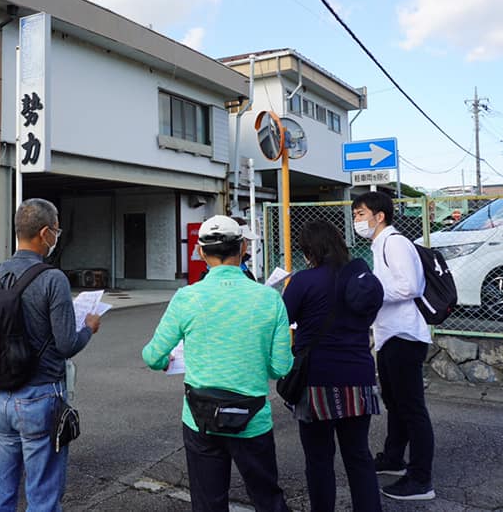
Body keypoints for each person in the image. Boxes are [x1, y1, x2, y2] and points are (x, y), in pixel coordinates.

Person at [143, 215, 293, 512]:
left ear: (201, 252)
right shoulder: (269, 298)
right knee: (267, 499)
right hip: (253, 418)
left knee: (208, 503)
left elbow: (152, 356)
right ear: (242, 248)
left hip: (201, 417)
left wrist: (165, 361)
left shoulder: (187, 297)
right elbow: (281, 367)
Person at [0, 198, 100, 512]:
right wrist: (88, 328)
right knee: (43, 496)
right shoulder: (52, 279)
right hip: (40, 396)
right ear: (45, 233)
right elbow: (66, 344)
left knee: (2, 491)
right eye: (56, 232)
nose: (57, 237)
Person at [282, 220, 384, 511]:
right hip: (359, 377)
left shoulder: (303, 281)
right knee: (358, 455)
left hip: (317, 379)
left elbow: (283, 318)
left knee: (319, 458)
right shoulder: (360, 279)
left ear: (309, 250)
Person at [351, 191, 436, 501]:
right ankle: (394, 458)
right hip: (390, 335)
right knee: (395, 402)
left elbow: (410, 286)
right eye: (355, 215)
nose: (357, 220)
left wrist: (370, 293)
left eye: (361, 214)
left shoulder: (395, 243)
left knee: (411, 408)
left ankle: (421, 480)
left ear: (380, 216)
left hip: (405, 335)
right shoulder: (380, 244)